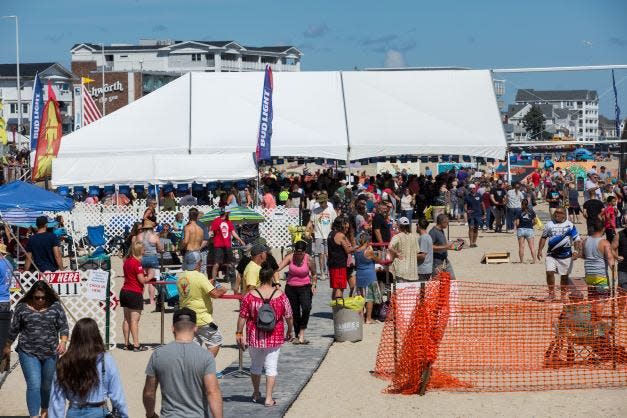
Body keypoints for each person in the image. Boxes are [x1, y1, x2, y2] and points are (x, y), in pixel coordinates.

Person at [4, 281, 69, 418]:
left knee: (46, 385)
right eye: (37, 297)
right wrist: (7, 345)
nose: (40, 300)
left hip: (51, 352)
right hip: (28, 352)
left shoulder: (55, 306)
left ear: (48, 296)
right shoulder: (22, 307)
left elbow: (63, 326)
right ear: (32, 295)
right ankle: (34, 415)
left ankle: (44, 411)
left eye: (43, 297)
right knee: (34, 384)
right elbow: (14, 328)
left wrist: (63, 342)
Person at [143, 308, 223, 418]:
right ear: (195, 328)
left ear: (172, 328)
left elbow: (149, 392)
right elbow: (212, 392)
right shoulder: (206, 356)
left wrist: (150, 414)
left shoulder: (158, 354)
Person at [236, 265, 294, 407]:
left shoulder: (250, 295)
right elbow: (289, 315)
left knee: (255, 365)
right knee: (271, 366)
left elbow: (242, 316)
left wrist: (238, 333)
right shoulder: (280, 295)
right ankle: (269, 398)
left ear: (259, 278)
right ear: (271, 278)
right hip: (275, 334)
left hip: (254, 335)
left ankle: (256, 393)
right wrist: (290, 330)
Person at [49, 318, 128, 418]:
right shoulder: (105, 359)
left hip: (74, 411)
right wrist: (123, 414)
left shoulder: (65, 361)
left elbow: (57, 399)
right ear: (96, 335)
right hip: (99, 411)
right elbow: (117, 393)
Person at [177, 252, 227, 357]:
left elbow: (193, 287)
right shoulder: (200, 277)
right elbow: (215, 294)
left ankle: (194, 370)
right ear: (198, 263)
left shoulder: (180, 277)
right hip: (202, 318)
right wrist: (223, 290)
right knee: (216, 340)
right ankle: (205, 366)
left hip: (186, 317)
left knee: (193, 346)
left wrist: (207, 283)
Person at [276, 240, 317, 344]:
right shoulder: (290, 257)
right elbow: (277, 269)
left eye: (301, 253)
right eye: (297, 253)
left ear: (304, 252)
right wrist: (277, 283)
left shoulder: (309, 259)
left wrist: (314, 285)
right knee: (295, 312)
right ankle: (297, 334)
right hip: (291, 287)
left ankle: (302, 331)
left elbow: (314, 274)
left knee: (306, 308)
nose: (299, 255)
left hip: (305, 287)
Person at [537, 207, 581, 300]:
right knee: (549, 272)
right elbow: (543, 237)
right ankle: (551, 293)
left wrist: (576, 251)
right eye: (556, 212)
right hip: (551, 254)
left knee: (564, 276)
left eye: (559, 213)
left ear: (564, 215)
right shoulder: (549, 224)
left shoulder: (570, 225)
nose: (556, 214)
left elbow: (576, 239)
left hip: (566, 255)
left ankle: (563, 295)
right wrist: (540, 250)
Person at [120, 242, 150, 352]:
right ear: (139, 250)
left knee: (126, 319)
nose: (144, 250)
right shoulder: (137, 263)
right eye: (143, 249)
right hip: (134, 292)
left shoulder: (127, 261)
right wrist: (149, 276)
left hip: (125, 291)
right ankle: (136, 345)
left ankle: (126, 344)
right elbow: (142, 280)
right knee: (134, 320)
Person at [582, 218, 614, 314]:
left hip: (589, 275)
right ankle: (596, 320)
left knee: (592, 298)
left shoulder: (585, 241)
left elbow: (583, 255)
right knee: (603, 299)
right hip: (601, 276)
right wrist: (614, 272)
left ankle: (593, 317)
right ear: (603, 229)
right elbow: (610, 259)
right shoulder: (604, 243)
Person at [354, 232, 385, 324]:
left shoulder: (356, 251)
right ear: (368, 241)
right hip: (369, 276)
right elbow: (380, 261)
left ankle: (361, 318)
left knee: (360, 298)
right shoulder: (368, 252)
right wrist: (379, 253)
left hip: (359, 276)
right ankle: (368, 318)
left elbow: (356, 264)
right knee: (369, 299)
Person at [307, 192, 337, 280]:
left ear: (326, 201)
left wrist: (334, 234)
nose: (321, 204)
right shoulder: (315, 211)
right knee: (320, 254)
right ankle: (322, 272)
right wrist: (307, 231)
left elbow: (335, 223)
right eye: (319, 202)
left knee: (328, 254)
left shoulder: (331, 211)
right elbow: (311, 222)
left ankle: (329, 271)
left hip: (328, 234)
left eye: (322, 202)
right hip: (318, 234)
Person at [210, 208, 245, 282]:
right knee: (216, 264)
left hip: (227, 245)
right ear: (225, 213)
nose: (229, 214)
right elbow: (211, 231)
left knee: (230, 263)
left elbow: (233, 232)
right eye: (228, 213)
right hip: (218, 246)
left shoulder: (228, 221)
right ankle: (213, 281)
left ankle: (231, 280)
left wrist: (240, 240)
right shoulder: (216, 221)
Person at [137, 219, 163, 306]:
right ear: (151, 228)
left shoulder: (139, 236)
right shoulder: (154, 236)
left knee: (142, 280)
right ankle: (151, 300)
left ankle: (140, 299)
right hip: (152, 258)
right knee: (152, 281)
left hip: (142, 259)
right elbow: (160, 248)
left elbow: (136, 248)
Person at [327, 218, 355, 298]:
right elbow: (348, 250)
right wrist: (358, 247)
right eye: (345, 227)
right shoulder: (340, 235)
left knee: (335, 288)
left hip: (332, 264)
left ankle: (334, 308)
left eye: (348, 228)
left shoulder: (331, 233)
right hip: (339, 264)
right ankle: (338, 309)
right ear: (340, 226)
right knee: (340, 288)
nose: (347, 230)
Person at [388, 217, 419, 282]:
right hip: (412, 270)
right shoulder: (414, 237)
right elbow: (417, 251)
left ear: (399, 226)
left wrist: (396, 252)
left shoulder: (397, 236)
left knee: (400, 290)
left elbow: (390, 247)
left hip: (401, 268)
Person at [182, 208, 209, 273]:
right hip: (198, 253)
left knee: (188, 274)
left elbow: (185, 241)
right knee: (198, 274)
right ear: (197, 216)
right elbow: (204, 241)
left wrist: (181, 246)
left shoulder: (187, 227)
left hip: (190, 252)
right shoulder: (201, 229)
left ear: (189, 216)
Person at [429, 214, 455, 279]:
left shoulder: (441, 230)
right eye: (447, 223)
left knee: (452, 278)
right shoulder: (433, 232)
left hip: (444, 260)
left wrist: (453, 248)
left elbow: (442, 246)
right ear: (442, 222)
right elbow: (430, 247)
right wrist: (445, 246)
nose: (447, 224)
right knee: (437, 281)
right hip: (437, 262)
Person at [514, 198, 537, 264]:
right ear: (528, 204)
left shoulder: (519, 212)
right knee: (531, 246)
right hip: (529, 229)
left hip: (521, 229)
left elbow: (517, 223)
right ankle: (534, 260)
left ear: (521, 204)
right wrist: (531, 224)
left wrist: (518, 227)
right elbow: (535, 221)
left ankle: (521, 261)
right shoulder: (531, 211)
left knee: (521, 246)